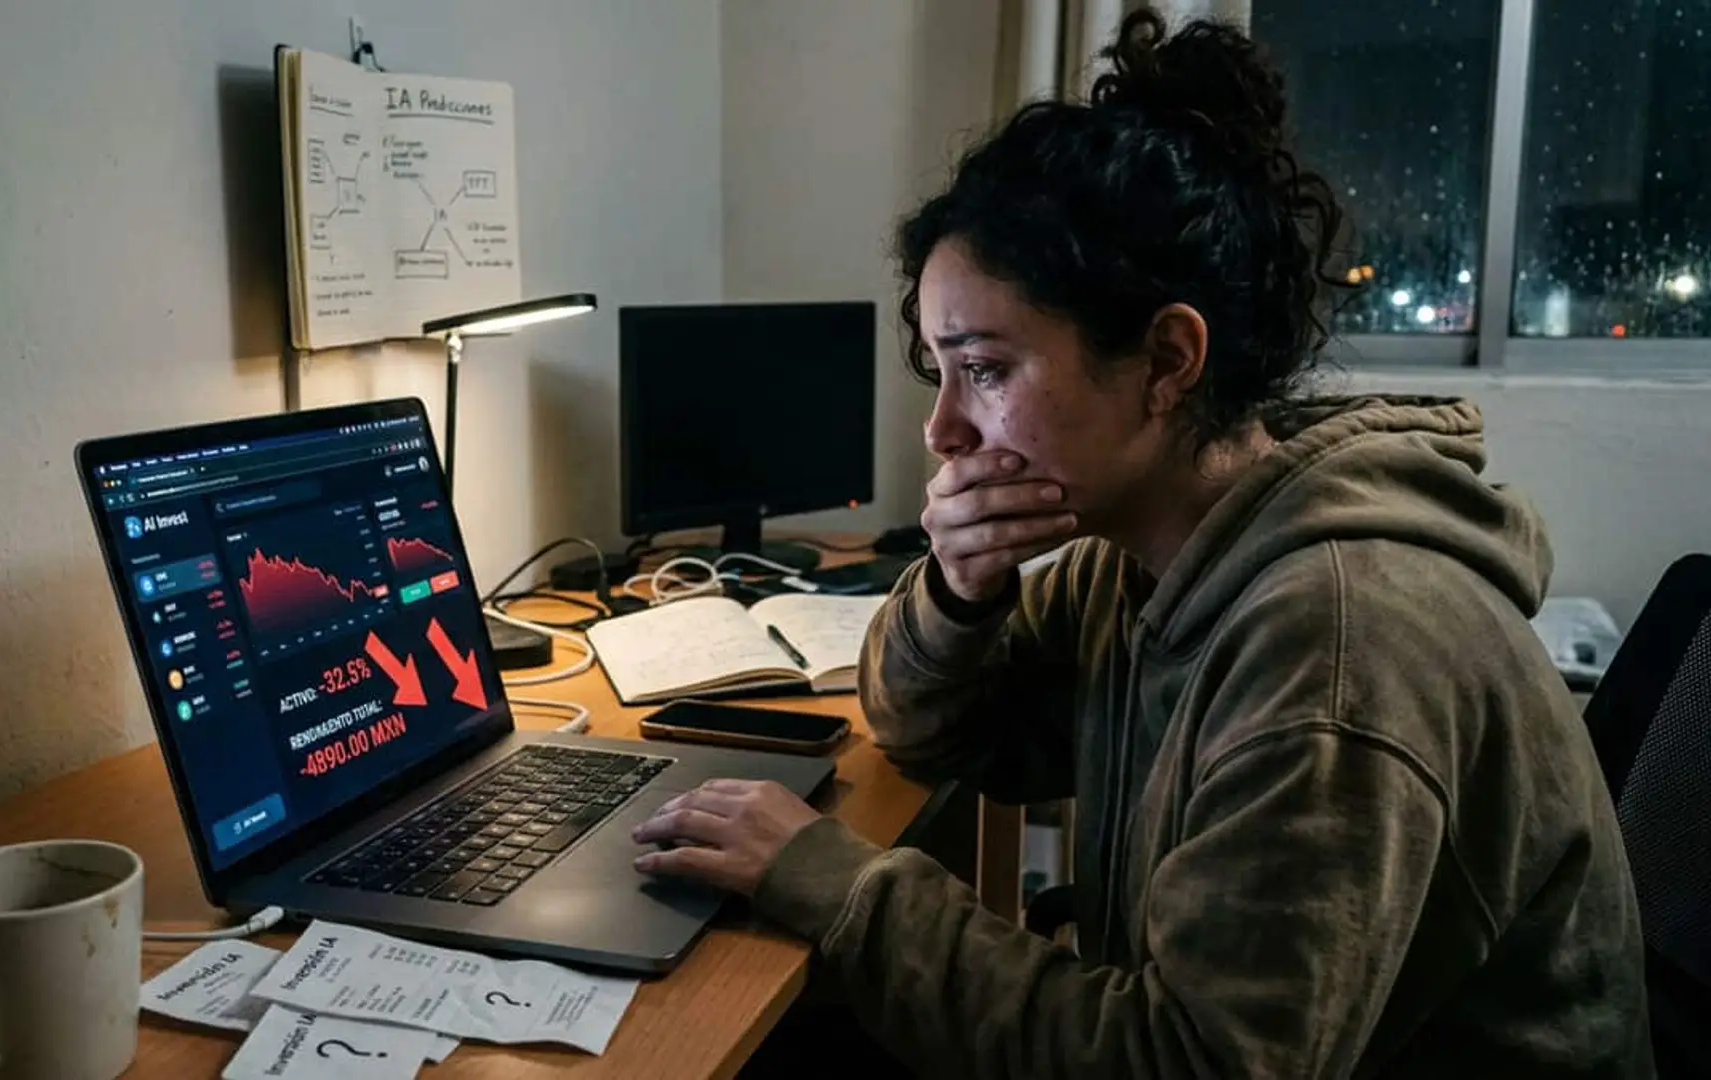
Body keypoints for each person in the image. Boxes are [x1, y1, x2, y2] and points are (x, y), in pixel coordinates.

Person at [630, 11, 1654, 1078]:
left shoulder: (1337, 643)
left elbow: (1187, 1064)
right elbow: (930, 736)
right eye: (940, 374)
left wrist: (837, 883)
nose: (941, 434)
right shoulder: (1137, 557)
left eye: (983, 369)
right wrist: (959, 595)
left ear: (1167, 360)